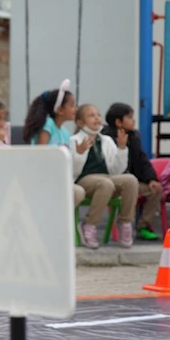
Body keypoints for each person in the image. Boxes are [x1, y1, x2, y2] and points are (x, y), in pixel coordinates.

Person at [70, 103, 138, 249]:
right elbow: (72, 171)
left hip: (106, 177)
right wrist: (80, 153)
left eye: (98, 115)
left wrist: (121, 148)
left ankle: (125, 222)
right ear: (80, 122)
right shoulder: (74, 140)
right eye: (91, 115)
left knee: (130, 180)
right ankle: (89, 224)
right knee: (105, 184)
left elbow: (116, 170)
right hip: (84, 180)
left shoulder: (106, 140)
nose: (97, 118)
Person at [102, 103, 163, 240]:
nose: (133, 120)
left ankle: (143, 226)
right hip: (111, 182)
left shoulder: (134, 137)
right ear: (118, 122)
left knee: (155, 189)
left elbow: (142, 160)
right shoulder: (106, 139)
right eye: (129, 117)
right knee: (130, 184)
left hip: (132, 181)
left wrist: (151, 179)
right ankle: (124, 223)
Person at [22, 79, 86, 207]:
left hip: (56, 177)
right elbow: (41, 151)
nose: (76, 109)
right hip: (41, 177)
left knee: (78, 192)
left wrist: (78, 152)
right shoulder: (48, 124)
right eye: (72, 105)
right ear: (60, 110)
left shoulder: (65, 133)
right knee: (77, 192)